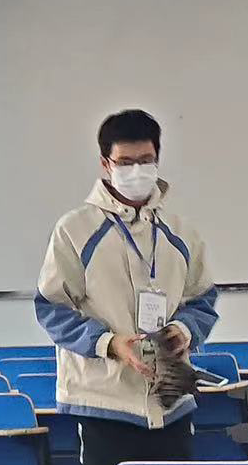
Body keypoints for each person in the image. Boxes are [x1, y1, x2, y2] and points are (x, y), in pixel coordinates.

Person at [35, 109, 219, 465]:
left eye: (146, 161)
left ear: (158, 160)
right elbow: (51, 308)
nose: (137, 171)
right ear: (106, 164)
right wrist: (109, 343)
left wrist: (183, 330)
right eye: (125, 162)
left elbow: (203, 299)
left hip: (171, 402)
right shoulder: (75, 230)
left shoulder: (181, 232)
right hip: (104, 402)